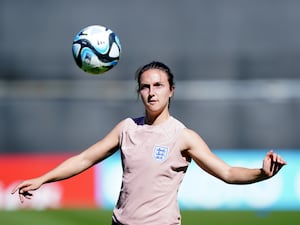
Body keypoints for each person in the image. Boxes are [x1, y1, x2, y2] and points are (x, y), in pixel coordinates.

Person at [12, 61, 287, 225]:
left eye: (158, 85)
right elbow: (85, 159)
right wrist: (43, 178)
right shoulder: (127, 128)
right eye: (145, 86)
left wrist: (261, 173)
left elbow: (226, 173)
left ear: (171, 91)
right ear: (139, 92)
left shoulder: (183, 136)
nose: (151, 92)